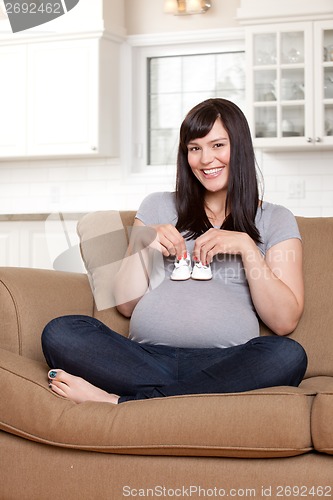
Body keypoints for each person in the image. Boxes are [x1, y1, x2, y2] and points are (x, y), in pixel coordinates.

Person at [42, 98, 307, 405]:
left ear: (240, 148)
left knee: (287, 355)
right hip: (141, 359)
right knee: (62, 331)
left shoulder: (275, 218)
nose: (206, 159)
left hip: (226, 362)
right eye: (195, 148)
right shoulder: (157, 205)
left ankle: (120, 403)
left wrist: (248, 249)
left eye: (218, 145)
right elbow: (125, 305)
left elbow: (285, 322)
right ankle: (187, 397)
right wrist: (143, 242)